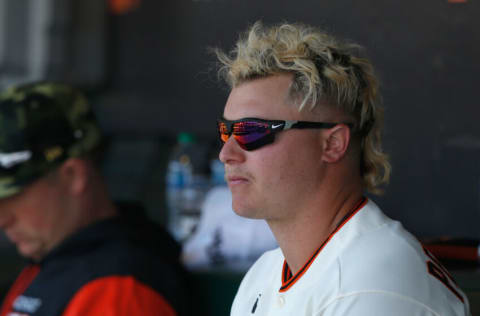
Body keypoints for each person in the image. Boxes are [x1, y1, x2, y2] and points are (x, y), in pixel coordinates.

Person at [214, 21, 471, 315]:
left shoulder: (375, 287)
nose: (226, 153)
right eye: (226, 131)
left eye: (251, 131)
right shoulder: (264, 274)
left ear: (332, 144)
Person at [0, 82, 188, 316]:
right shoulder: (51, 263)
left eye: (12, 196)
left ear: (73, 175)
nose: (2, 219)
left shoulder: (118, 290)